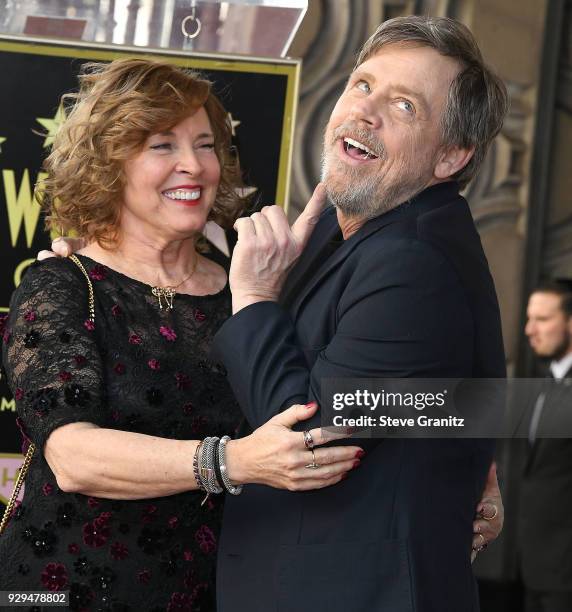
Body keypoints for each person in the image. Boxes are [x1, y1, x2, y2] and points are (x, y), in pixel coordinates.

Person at [0, 58, 363, 611]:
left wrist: (471, 471)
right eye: (162, 145)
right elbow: (73, 457)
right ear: (109, 163)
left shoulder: (250, 291)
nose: (193, 166)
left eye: (206, 144)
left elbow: (334, 413)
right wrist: (233, 461)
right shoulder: (64, 285)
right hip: (61, 592)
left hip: (213, 594)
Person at [210, 15, 508, 611]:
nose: (364, 112)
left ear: (450, 155)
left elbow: (306, 442)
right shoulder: (338, 224)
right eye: (363, 84)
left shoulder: (415, 259)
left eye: (404, 107)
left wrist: (254, 297)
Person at [517, 280, 572, 611]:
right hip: (534, 569)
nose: (528, 330)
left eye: (542, 319)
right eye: (529, 318)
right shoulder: (543, 385)